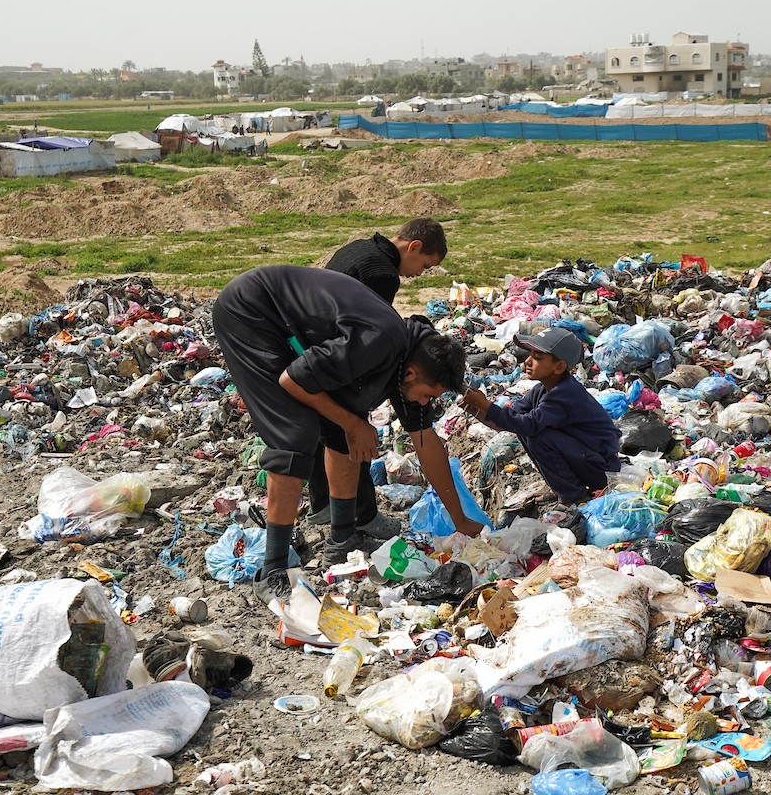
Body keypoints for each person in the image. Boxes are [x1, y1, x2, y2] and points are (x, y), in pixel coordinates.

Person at [212, 265, 486, 606]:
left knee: (346, 424)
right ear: (413, 373)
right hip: (252, 312)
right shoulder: (380, 341)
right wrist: (354, 424)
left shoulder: (416, 362)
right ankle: (273, 569)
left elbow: (426, 443)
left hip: (288, 326)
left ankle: (342, 540)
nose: (425, 403)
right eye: (428, 396)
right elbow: (291, 381)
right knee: (295, 436)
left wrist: (460, 520)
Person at [305, 218, 448, 537]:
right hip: (339, 356)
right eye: (424, 265)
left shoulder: (358, 248)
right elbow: (370, 329)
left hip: (313, 348)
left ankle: (323, 506)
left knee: (324, 431)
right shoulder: (382, 275)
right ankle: (363, 516)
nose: (419, 274)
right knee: (353, 435)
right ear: (414, 247)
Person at [460, 327, 620, 504]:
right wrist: (475, 409)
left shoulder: (565, 395)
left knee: (538, 438)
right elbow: (511, 419)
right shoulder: (541, 390)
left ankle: (574, 495)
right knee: (525, 431)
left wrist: (485, 405)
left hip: (602, 470)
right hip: (585, 460)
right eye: (530, 355)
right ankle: (565, 489)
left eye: (537, 358)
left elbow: (527, 424)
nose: (527, 361)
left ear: (559, 367)